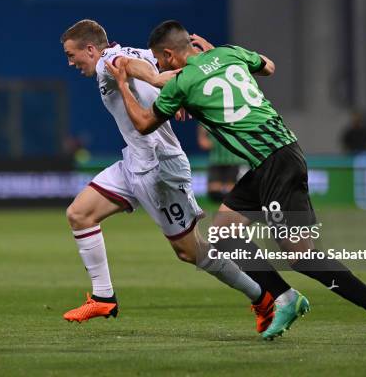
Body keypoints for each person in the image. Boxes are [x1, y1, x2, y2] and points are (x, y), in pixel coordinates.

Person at [106, 20, 366, 347]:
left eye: (160, 61)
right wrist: (212, 55)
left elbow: (144, 124)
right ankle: (284, 297)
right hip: (271, 159)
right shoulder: (230, 53)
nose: (160, 68)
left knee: (301, 256)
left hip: (276, 162)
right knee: (224, 231)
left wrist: (123, 84)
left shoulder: (183, 81)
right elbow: (269, 67)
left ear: (169, 55)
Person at [60, 19, 275, 332]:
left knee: (192, 252)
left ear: (90, 49)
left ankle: (262, 297)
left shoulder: (111, 61)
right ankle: (103, 296)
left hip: (160, 169)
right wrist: (174, 93)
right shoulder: (141, 51)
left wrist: (162, 81)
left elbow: (140, 71)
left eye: (71, 54)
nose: (70, 62)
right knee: (79, 214)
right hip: (135, 161)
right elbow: (151, 66)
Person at [197, 124, 248, 203]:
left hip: (234, 159)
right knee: (214, 194)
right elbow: (202, 122)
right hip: (216, 159)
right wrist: (202, 137)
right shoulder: (212, 112)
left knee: (232, 194)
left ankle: (230, 209)